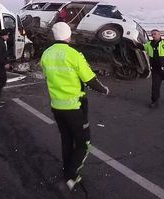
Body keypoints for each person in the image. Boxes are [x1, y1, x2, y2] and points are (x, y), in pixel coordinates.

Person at [41, 22, 109, 198]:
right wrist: (104, 89)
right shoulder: (73, 54)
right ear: (68, 35)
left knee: (66, 139)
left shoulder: (46, 54)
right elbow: (89, 79)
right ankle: (70, 179)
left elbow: (47, 76)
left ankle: (67, 170)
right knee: (83, 142)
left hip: (56, 105)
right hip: (74, 107)